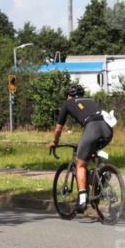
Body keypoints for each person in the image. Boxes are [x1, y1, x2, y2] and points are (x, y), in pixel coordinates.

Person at [48, 83, 113, 213]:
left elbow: (59, 128)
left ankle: (82, 199)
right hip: (108, 129)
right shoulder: (90, 100)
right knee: (93, 152)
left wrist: (54, 142)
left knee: (80, 164)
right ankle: (101, 174)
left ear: (68, 96)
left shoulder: (68, 104)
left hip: (92, 129)